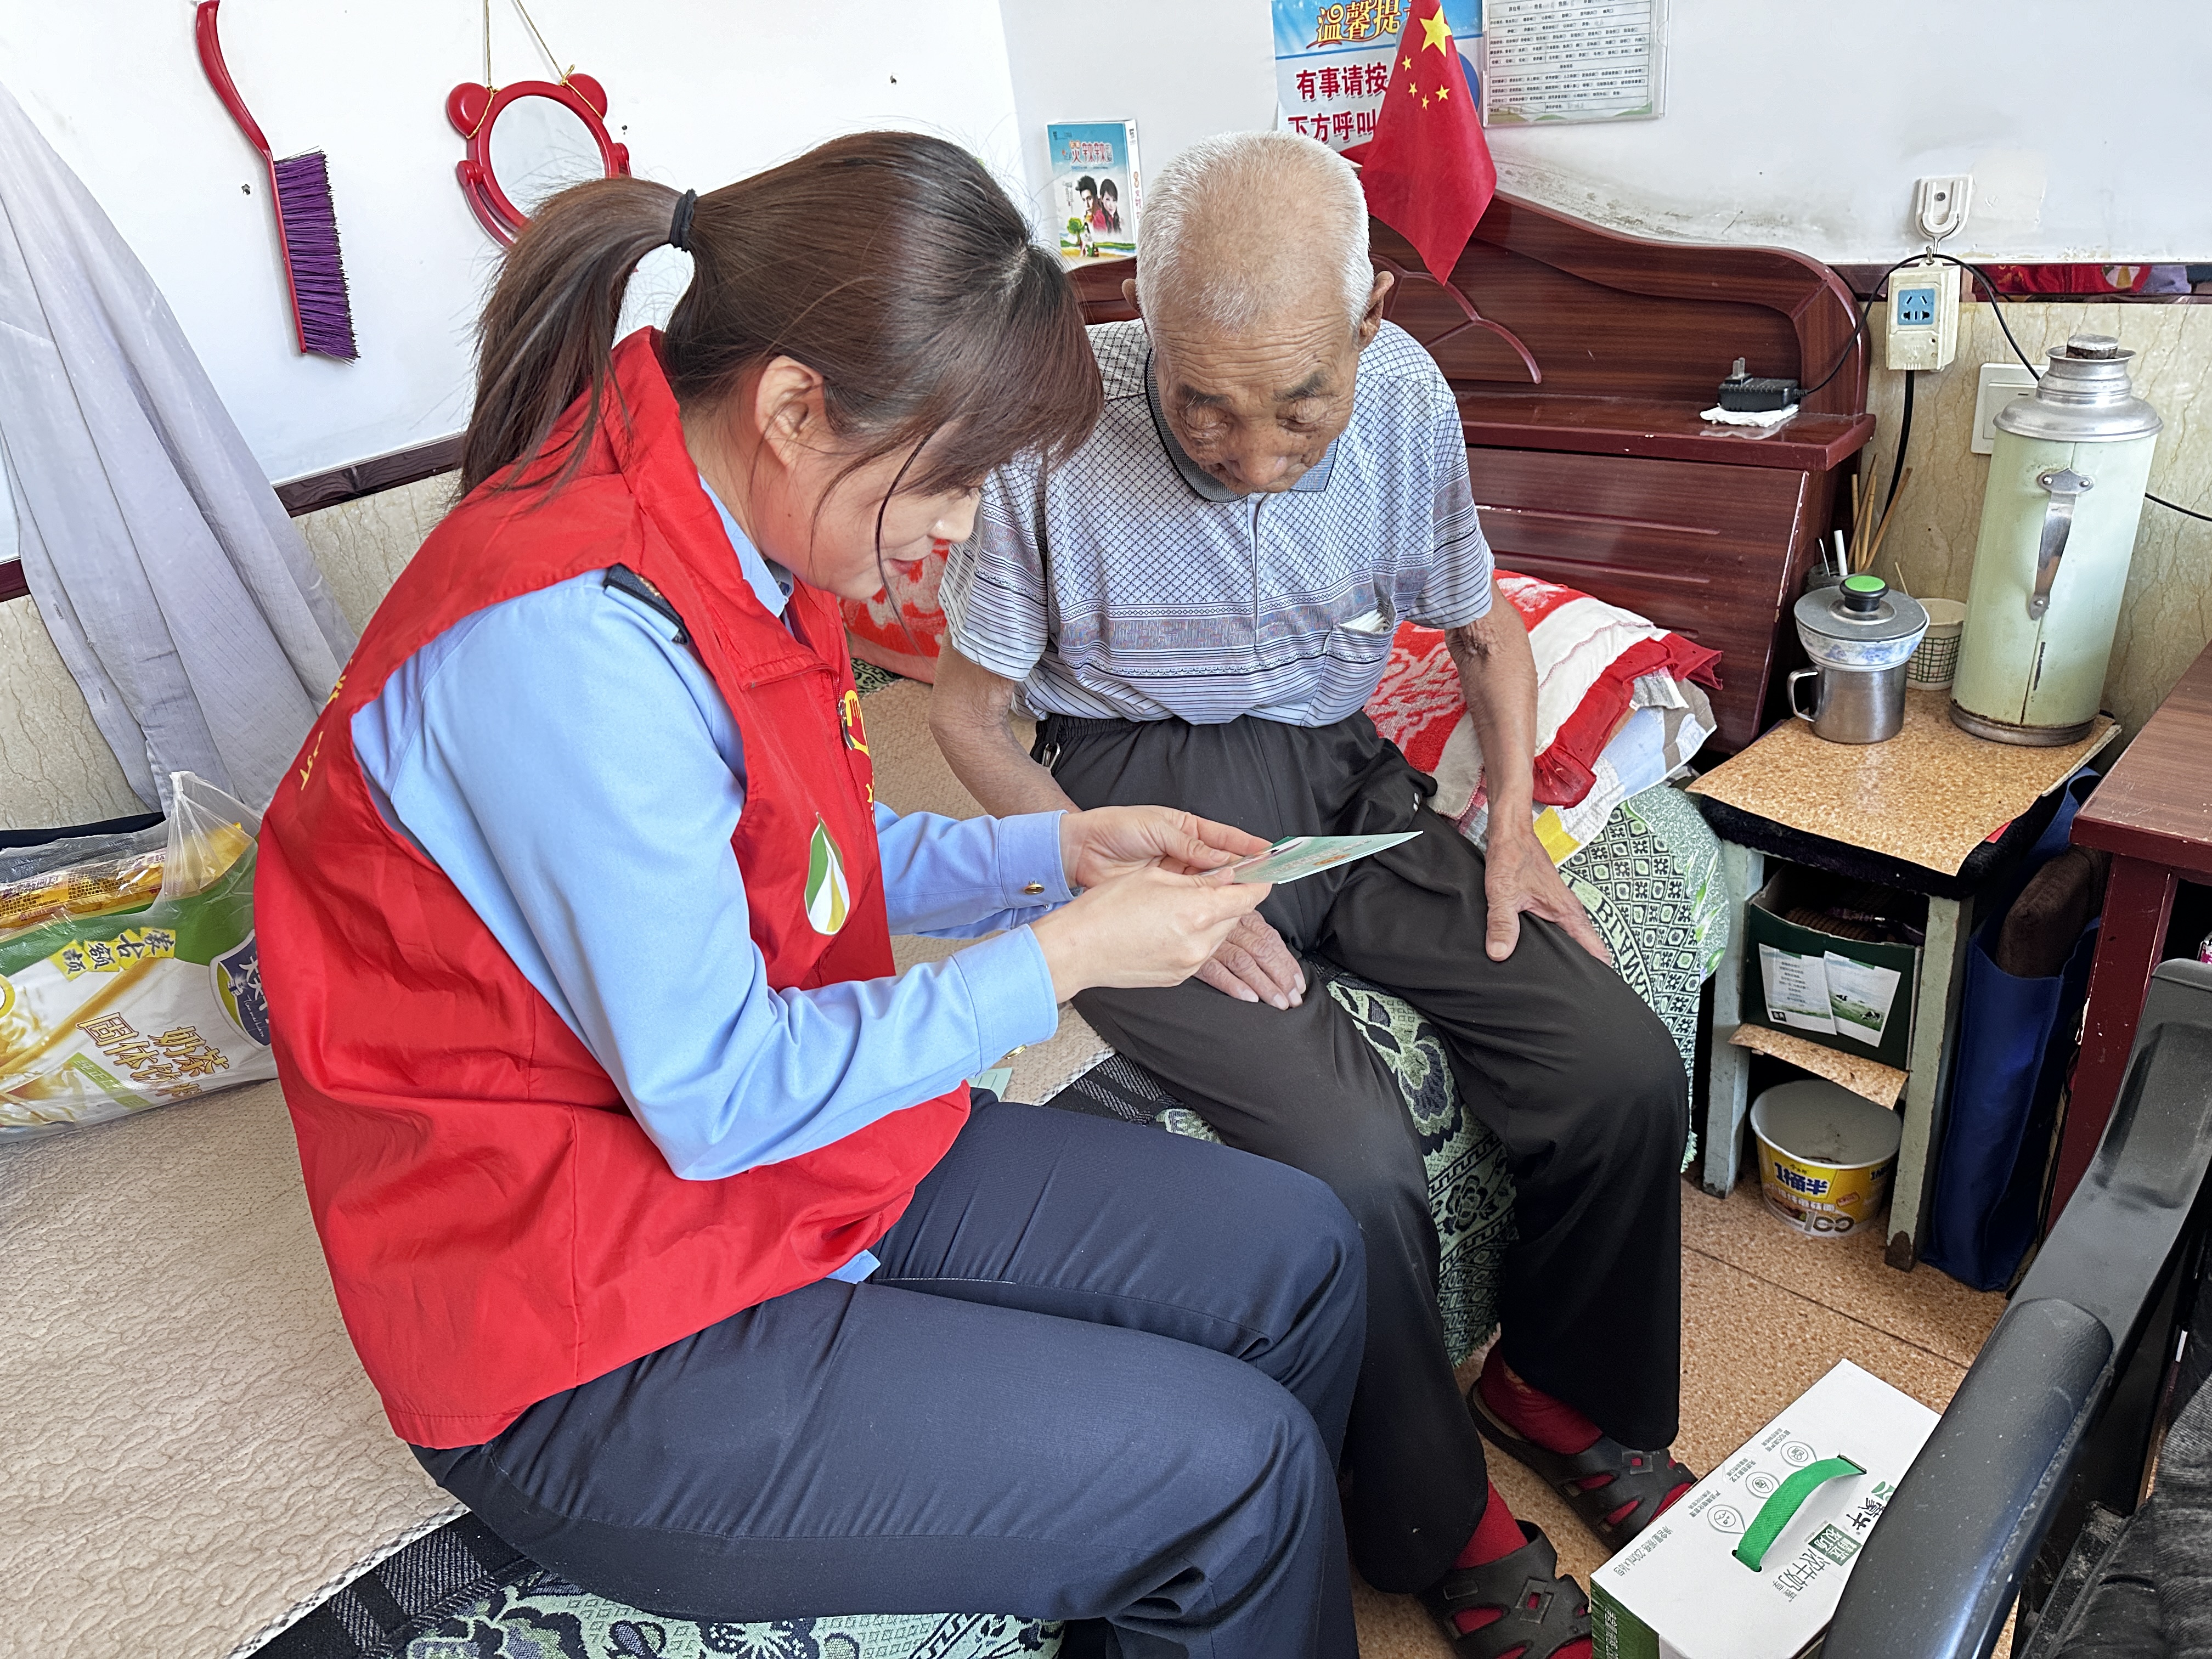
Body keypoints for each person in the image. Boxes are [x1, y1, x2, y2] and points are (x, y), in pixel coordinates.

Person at [255, 133, 1370, 1659]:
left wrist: (1061, 852)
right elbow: (716, 1094)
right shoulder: (570, 647)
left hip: (766, 1164)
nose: (964, 525)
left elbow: (807, 861)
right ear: (794, 407)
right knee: (1237, 1471)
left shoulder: (732, 536)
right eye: (957, 473)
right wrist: (1056, 961)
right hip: (591, 1315)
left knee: (1297, 1252)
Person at [930, 129, 1694, 1659]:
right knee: (1347, 1159)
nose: (1252, 451)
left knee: (1619, 1064)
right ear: (1144, 325)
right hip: (1136, 785)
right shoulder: (1056, 426)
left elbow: (1482, 638)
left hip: (1344, 774)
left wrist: (1516, 829)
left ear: (1372, 322)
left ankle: (1556, 1385)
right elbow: (964, 717)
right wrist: (1090, 866)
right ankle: (1437, 1523)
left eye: (1299, 404)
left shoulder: (1410, 400)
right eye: (1201, 403)